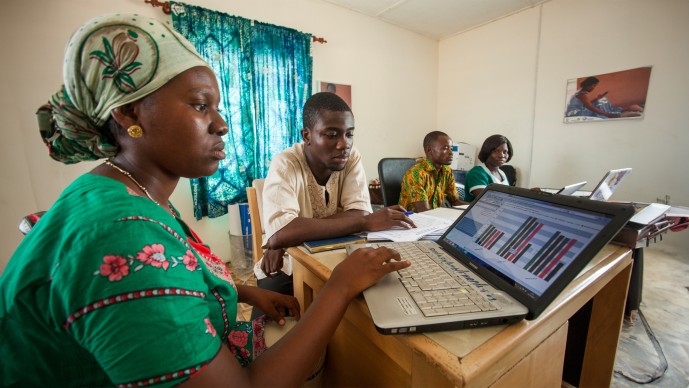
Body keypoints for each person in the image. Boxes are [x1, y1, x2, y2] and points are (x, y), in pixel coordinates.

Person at [0, 14, 410, 387]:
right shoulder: (119, 234)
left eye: (216, 106)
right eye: (200, 106)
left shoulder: (126, 189)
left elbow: (178, 266)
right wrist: (338, 287)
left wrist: (245, 293)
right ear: (129, 113)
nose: (223, 124)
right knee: (342, 348)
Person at [254, 92, 415, 307]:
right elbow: (280, 234)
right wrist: (362, 222)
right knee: (281, 302)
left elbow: (357, 212)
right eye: (331, 135)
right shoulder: (286, 163)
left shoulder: (350, 157)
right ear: (307, 136)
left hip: (335, 256)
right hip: (288, 265)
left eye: (349, 134)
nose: (343, 144)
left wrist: (291, 234)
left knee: (378, 295)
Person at [398, 131, 467, 212]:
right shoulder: (416, 174)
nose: (451, 153)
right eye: (445, 148)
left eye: (451, 148)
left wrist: (477, 208)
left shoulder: (447, 171)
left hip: (434, 217)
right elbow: (423, 211)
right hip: (412, 220)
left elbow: (455, 202)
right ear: (429, 150)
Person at [463, 134, 513, 202]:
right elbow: (487, 200)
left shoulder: (502, 173)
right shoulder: (476, 173)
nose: (502, 155)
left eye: (505, 152)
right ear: (487, 151)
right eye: (496, 151)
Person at [565, 76, 644, 119]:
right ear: (588, 85)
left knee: (602, 100)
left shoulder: (581, 93)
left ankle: (622, 110)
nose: (593, 88)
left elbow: (586, 104)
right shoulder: (582, 94)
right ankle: (615, 113)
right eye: (593, 86)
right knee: (600, 103)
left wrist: (597, 98)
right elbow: (590, 107)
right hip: (575, 113)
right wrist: (607, 114)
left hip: (580, 109)